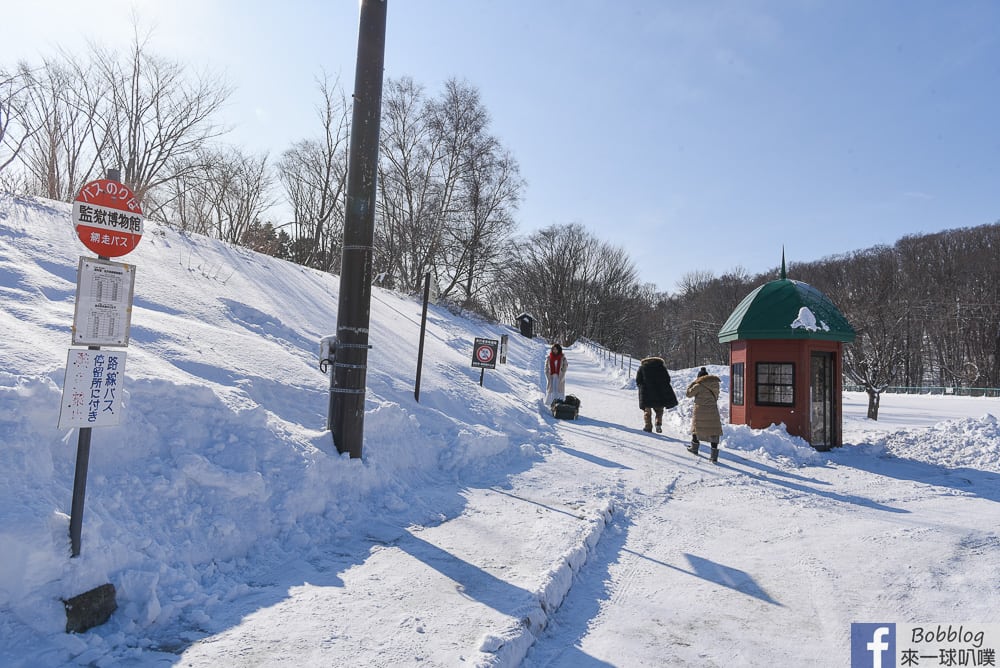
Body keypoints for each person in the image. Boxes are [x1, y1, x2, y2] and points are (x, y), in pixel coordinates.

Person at [686, 367, 723, 462]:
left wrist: (693, 383)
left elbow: (688, 394)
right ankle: (714, 456)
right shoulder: (715, 385)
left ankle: (694, 448)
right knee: (713, 431)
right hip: (713, 411)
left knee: (696, 428)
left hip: (700, 411)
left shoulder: (698, 386)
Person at [635, 356, 678, 433]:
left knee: (647, 412)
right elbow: (667, 379)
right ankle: (658, 423)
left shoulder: (642, 367)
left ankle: (648, 426)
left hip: (646, 393)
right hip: (659, 392)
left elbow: (638, 380)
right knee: (659, 411)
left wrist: (642, 386)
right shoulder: (661, 367)